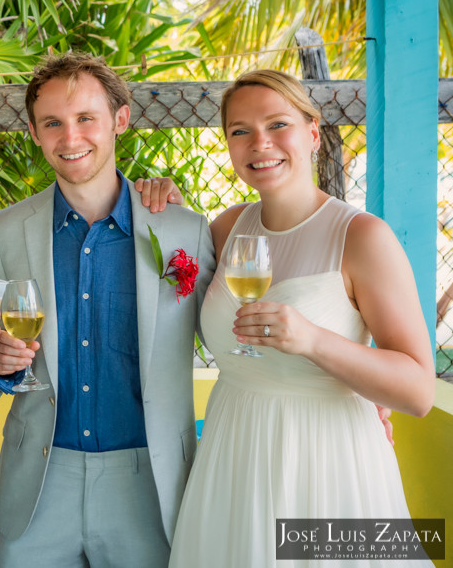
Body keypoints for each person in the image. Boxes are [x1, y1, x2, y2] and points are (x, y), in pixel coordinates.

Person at [168, 69, 434, 567]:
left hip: (327, 463)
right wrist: (159, 203)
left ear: (312, 133)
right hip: (234, 453)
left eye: (277, 124)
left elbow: (419, 392)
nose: (259, 143)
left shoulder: (362, 237)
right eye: (240, 130)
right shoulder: (226, 228)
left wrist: (313, 341)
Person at [0, 53, 215, 567]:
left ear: (120, 120)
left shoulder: (184, 231)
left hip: (148, 479)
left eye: (86, 117)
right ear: (34, 132)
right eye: (53, 123)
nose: (71, 137)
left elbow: (226, 334)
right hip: (39, 479)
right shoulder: (4, 230)